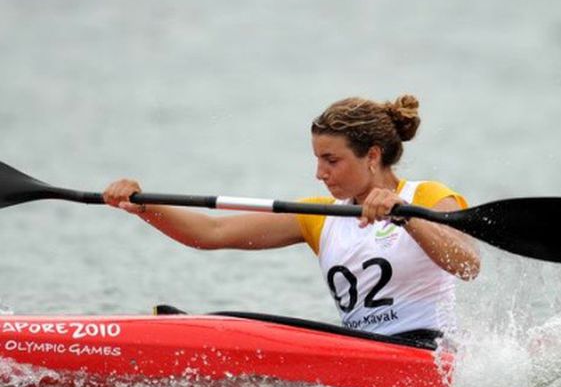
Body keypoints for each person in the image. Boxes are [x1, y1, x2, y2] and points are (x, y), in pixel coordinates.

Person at [103, 95, 480, 346]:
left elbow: (468, 265)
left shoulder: (426, 197)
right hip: (364, 349)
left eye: (331, 161)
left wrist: (406, 217)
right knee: (241, 322)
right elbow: (211, 232)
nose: (320, 173)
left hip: (430, 349)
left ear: (373, 156)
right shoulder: (318, 217)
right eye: (317, 159)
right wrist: (144, 206)